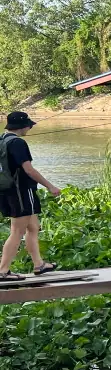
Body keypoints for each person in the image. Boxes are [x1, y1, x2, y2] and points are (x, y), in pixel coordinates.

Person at [0, 111, 61, 280]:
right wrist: (50, 186)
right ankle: (3, 271)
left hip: (9, 189)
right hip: (21, 191)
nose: (30, 128)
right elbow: (29, 170)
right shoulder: (18, 143)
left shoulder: (3, 139)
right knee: (17, 231)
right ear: (23, 126)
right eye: (29, 125)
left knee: (33, 227)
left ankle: (39, 265)